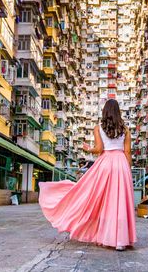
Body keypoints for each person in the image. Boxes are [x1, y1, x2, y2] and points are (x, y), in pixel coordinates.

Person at [39, 99, 136, 251]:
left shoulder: (99, 128)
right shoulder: (126, 129)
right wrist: (128, 170)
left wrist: (88, 149)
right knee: (120, 201)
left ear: (105, 111)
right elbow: (128, 152)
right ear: (118, 112)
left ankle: (107, 236)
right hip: (121, 164)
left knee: (102, 199)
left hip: (105, 164)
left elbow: (98, 150)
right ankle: (120, 241)